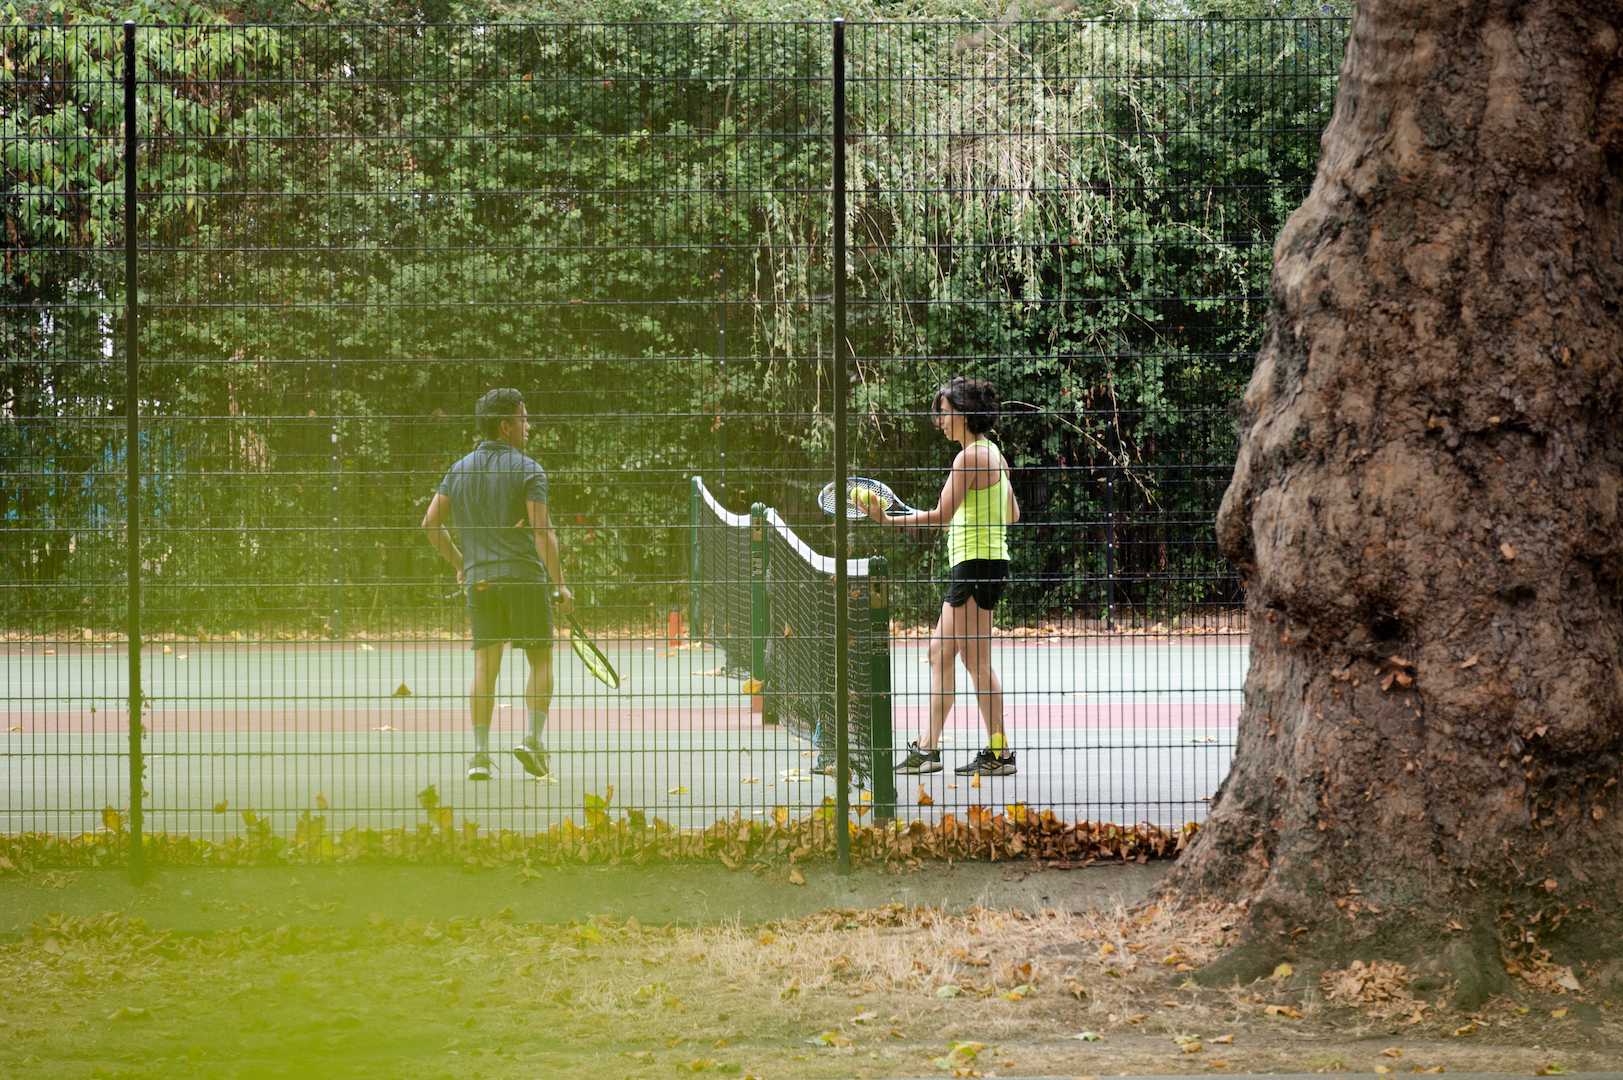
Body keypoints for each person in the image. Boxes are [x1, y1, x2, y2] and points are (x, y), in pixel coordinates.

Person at [863, 376, 1020, 776]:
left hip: (977, 566)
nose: (940, 421)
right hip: (980, 564)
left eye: (946, 414)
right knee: (940, 653)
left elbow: (939, 517)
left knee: (976, 661)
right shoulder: (993, 455)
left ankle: (999, 753)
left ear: (965, 415)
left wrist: (887, 519)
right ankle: (928, 750)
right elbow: (1012, 513)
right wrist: (976, 519)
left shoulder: (968, 458)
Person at [422, 388, 574, 781]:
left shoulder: (457, 469)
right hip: (524, 577)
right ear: (506, 426)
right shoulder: (529, 469)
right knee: (540, 659)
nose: (529, 426)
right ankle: (532, 741)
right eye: (524, 419)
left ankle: (479, 756)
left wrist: (463, 564)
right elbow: (543, 531)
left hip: (481, 580)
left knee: (484, 666)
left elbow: (430, 525)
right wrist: (559, 586)